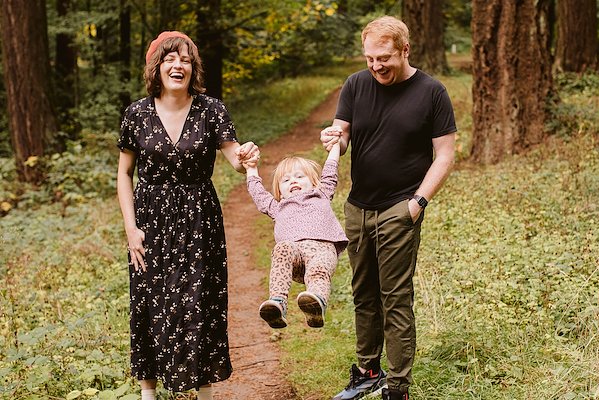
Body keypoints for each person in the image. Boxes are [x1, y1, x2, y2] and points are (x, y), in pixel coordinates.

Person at [116, 31, 259, 400]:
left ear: (193, 68)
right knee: (150, 301)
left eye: (185, 60)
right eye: (170, 59)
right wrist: (131, 228)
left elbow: (234, 159)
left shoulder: (212, 109)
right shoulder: (136, 113)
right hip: (150, 221)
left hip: (200, 219)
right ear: (157, 66)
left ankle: (204, 394)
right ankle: (149, 394)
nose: (177, 65)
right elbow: (123, 174)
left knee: (200, 301)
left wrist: (246, 158)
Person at [321, 16, 457, 400]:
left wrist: (417, 203)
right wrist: (332, 138)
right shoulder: (355, 84)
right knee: (363, 293)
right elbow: (342, 136)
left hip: (401, 208)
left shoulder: (432, 92)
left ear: (404, 50)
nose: (376, 66)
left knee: (395, 297)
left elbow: (445, 154)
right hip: (358, 208)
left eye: (384, 57)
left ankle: (397, 387)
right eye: (369, 58)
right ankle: (367, 372)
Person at [241, 140, 348, 329]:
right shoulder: (277, 207)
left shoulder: (321, 193)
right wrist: (251, 170)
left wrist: (336, 147)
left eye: (299, 176)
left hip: (321, 250)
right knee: (282, 247)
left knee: (318, 269)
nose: (293, 181)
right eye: (286, 180)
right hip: (295, 259)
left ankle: (316, 303)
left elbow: (330, 170)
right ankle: (277, 303)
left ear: (314, 182)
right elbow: (258, 194)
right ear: (279, 192)